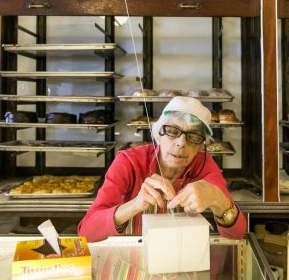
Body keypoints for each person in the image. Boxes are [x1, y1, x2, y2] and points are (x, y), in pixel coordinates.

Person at [78, 96, 246, 242]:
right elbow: (86, 232)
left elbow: (236, 234)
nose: (181, 143)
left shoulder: (204, 166)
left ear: (200, 147)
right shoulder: (129, 162)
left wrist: (218, 199)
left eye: (193, 137)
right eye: (172, 131)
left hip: (181, 255)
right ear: (158, 135)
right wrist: (135, 205)